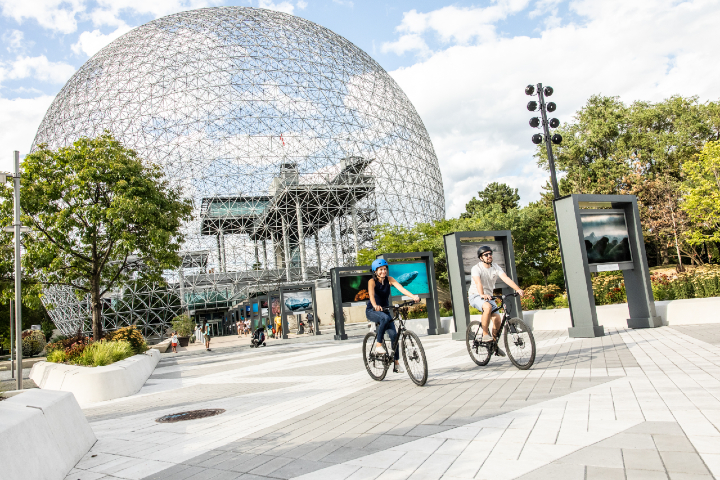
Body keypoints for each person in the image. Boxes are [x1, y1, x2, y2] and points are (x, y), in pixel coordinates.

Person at [468, 245, 524, 357]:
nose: (489, 256)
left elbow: (506, 278)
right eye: (486, 255)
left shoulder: (495, 267)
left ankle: (494, 345)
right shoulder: (476, 268)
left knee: (497, 319)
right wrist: (482, 294)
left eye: (490, 254)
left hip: (489, 297)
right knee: (487, 307)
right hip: (475, 295)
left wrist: (517, 289)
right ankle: (484, 334)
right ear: (481, 257)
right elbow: (478, 283)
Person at [366, 258, 420, 374]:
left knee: (394, 336)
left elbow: (401, 288)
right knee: (384, 318)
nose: (383, 272)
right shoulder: (372, 281)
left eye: (385, 269)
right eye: (380, 270)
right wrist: (375, 305)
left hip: (384, 310)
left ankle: (396, 364)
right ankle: (378, 345)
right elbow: (371, 295)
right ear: (375, 271)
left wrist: (413, 297)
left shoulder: (389, 279)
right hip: (372, 310)